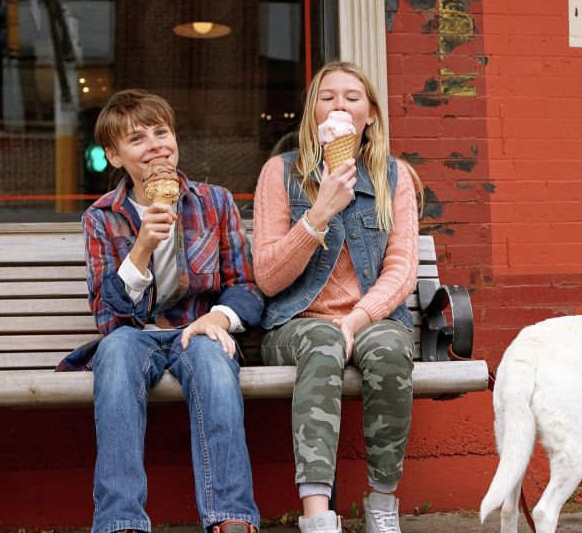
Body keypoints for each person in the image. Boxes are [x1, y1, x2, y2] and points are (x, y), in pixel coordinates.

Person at [60, 89, 263, 533]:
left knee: (213, 360)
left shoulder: (215, 202)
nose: (155, 145)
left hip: (199, 329)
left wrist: (219, 318)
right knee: (113, 355)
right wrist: (142, 247)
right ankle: (121, 521)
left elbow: (246, 287)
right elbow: (109, 318)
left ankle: (231, 518)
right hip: (135, 336)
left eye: (162, 132)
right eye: (137, 139)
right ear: (114, 156)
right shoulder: (102, 217)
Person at [251, 62, 420, 533]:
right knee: (322, 341)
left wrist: (356, 321)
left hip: (371, 320)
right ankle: (318, 517)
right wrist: (319, 214)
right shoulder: (280, 174)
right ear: (313, 114)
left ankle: (383, 504)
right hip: (296, 321)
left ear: (369, 116)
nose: (339, 104)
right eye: (327, 97)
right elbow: (267, 278)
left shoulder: (394, 177)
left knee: (388, 348)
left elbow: (402, 269)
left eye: (351, 97)